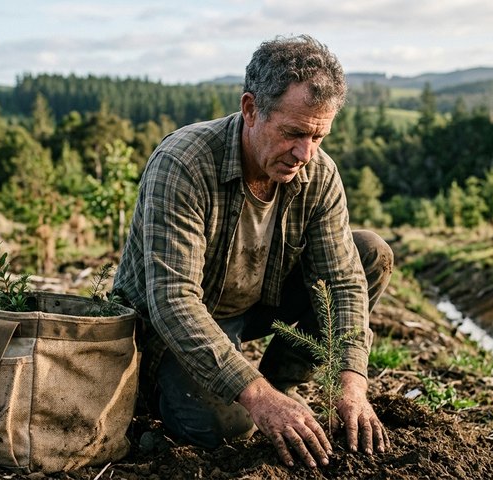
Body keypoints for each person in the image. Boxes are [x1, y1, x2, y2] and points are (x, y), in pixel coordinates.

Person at [113, 34, 393, 468]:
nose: (305, 153)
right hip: (176, 324)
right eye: (294, 133)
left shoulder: (318, 172)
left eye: (318, 136)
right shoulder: (185, 162)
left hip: (257, 305)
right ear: (250, 110)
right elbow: (173, 301)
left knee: (370, 253)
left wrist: (351, 380)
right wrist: (255, 395)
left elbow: (343, 282)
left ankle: (285, 382)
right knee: (226, 428)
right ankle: (162, 387)